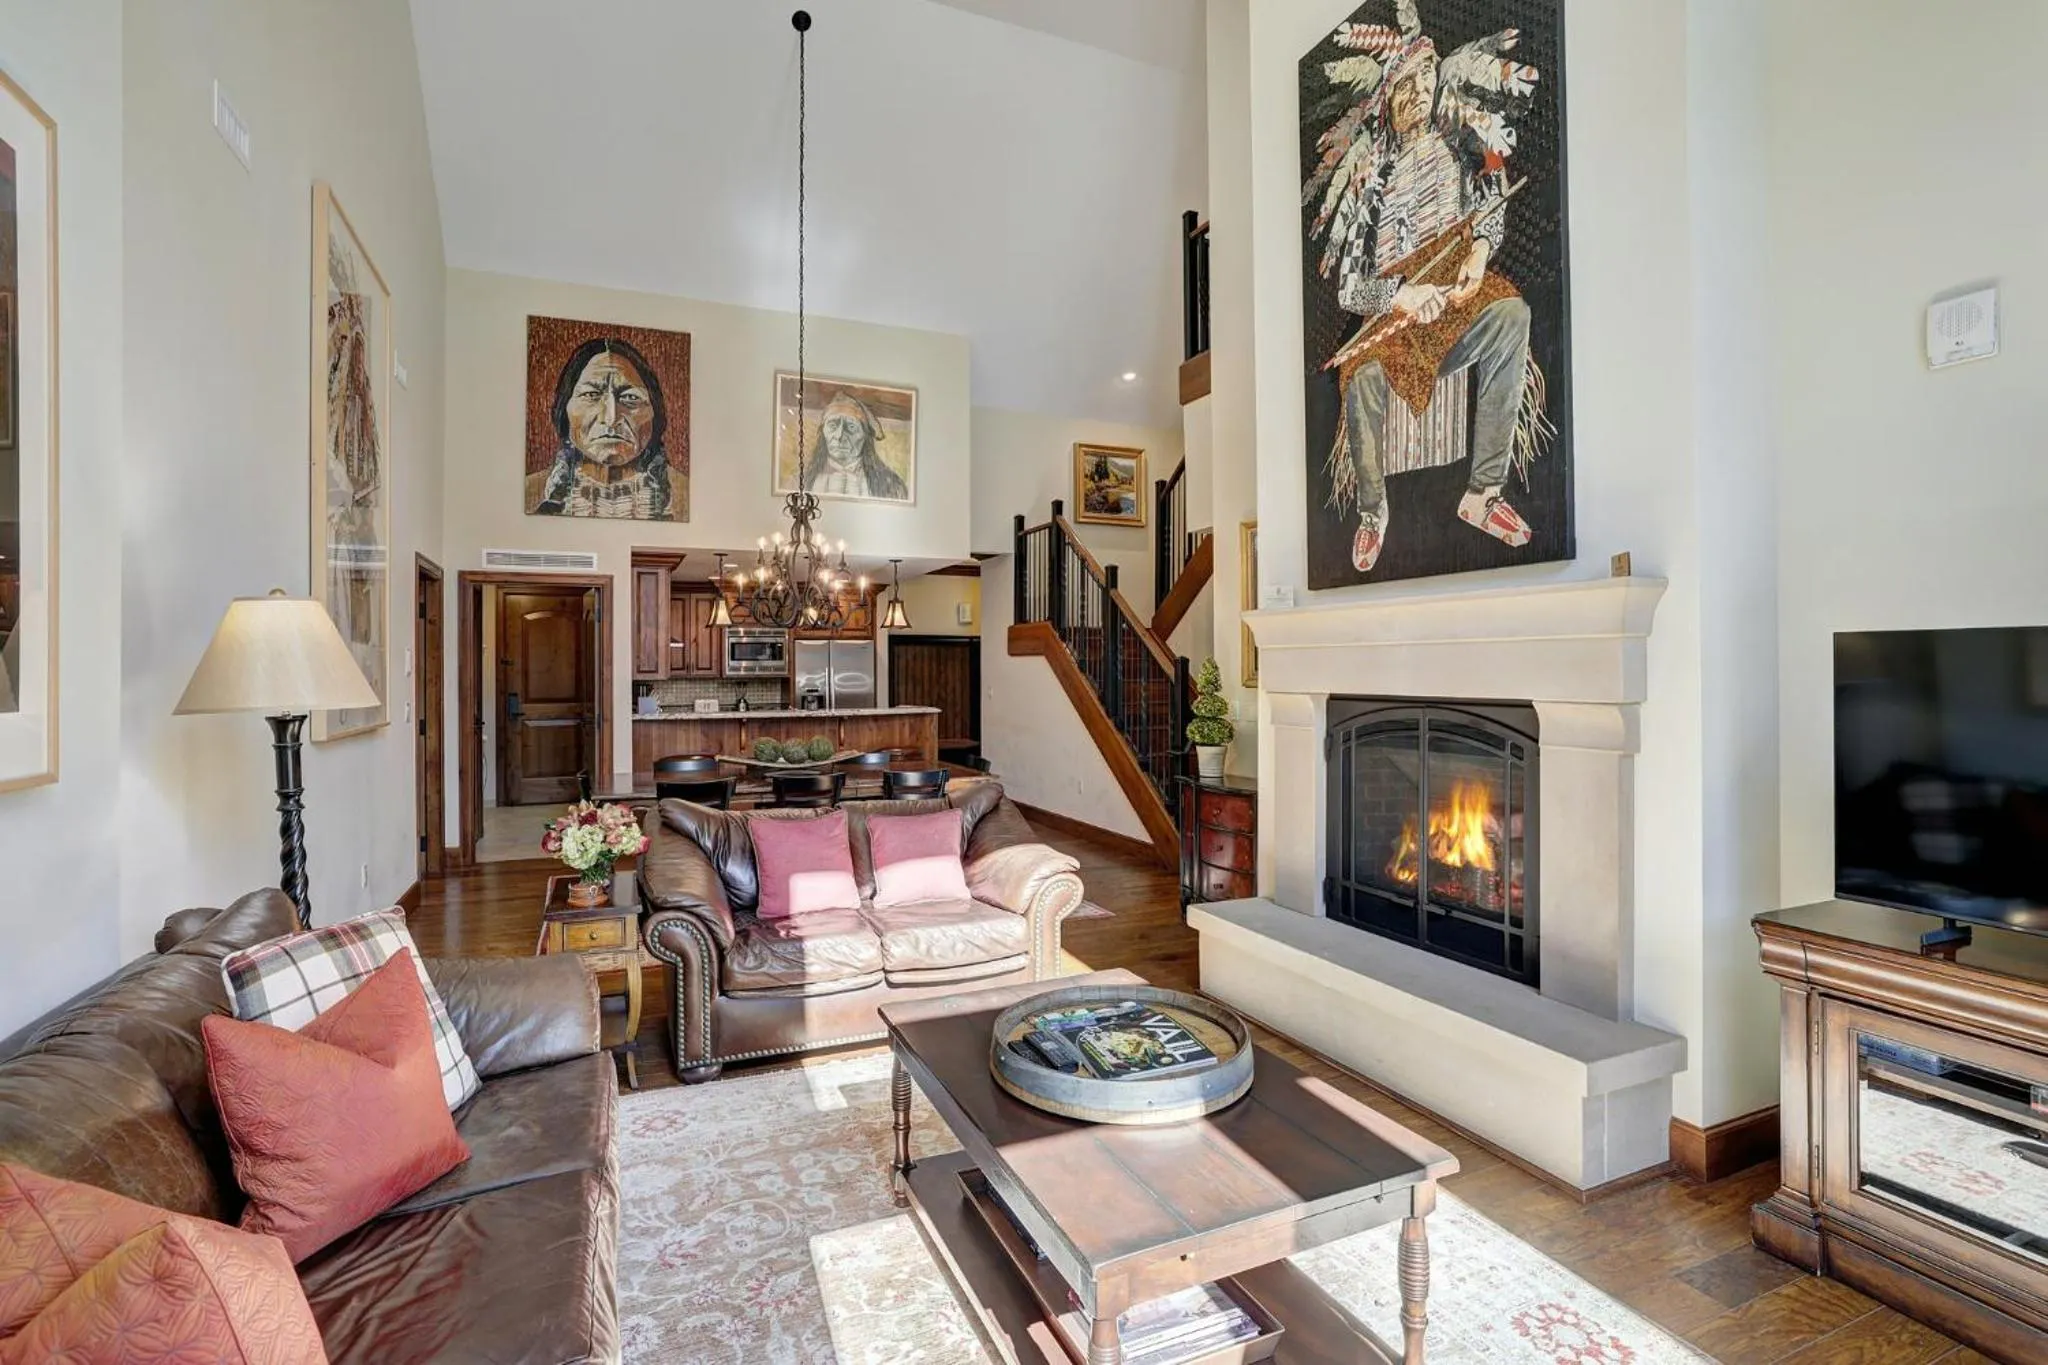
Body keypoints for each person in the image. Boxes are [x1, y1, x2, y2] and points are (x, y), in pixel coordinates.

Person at [1306, 6, 1549, 573]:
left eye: (1423, 81)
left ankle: (1482, 493)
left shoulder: (1459, 152)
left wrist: (1479, 254)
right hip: (1395, 319)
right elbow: (1348, 287)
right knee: (1361, 377)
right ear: (1387, 104)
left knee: (1511, 313)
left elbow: (1491, 205)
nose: (1415, 94)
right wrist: (1400, 297)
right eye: (1403, 88)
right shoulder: (1373, 188)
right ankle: (1372, 513)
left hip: (1456, 303)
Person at [528, 337, 678, 520]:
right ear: (564, 410)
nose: (610, 418)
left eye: (630, 397)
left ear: (655, 412)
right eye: (591, 394)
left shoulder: (685, 495)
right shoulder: (529, 493)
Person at [801, 389, 907, 502]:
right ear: (823, 433)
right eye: (832, 425)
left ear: (865, 437)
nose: (839, 435)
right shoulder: (801, 480)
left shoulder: (891, 485)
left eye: (851, 427)